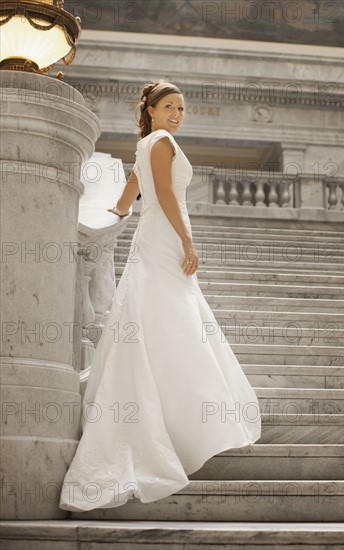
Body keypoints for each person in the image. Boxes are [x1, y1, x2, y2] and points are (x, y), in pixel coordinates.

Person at [59, 80, 262, 512]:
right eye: (169, 106)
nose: (177, 114)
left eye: (182, 108)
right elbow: (166, 194)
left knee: (155, 313)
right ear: (151, 109)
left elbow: (134, 185)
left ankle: (169, 414)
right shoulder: (163, 141)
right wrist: (188, 243)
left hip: (152, 237)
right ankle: (186, 420)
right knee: (173, 317)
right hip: (166, 237)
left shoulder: (146, 144)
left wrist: (117, 209)